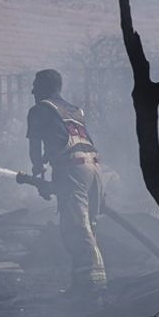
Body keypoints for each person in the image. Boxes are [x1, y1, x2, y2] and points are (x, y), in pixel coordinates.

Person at [25, 69, 107, 293]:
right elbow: (64, 141)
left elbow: (35, 147)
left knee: (76, 229)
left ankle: (92, 288)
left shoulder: (39, 109)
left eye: (35, 85)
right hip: (95, 169)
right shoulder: (73, 109)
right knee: (89, 226)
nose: (32, 90)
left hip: (73, 171)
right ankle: (82, 283)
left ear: (46, 86)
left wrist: (38, 171)